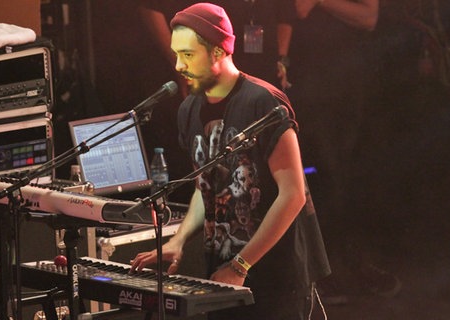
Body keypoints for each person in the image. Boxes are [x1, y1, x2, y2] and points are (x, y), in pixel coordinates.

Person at [130, 3, 330, 319]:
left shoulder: (263, 102)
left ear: (219, 51)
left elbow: (293, 195)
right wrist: (178, 241)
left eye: (188, 54)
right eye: (176, 54)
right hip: (224, 272)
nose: (179, 65)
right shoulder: (189, 110)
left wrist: (241, 264)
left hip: (276, 276)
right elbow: (206, 187)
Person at [288, 0, 401, 302]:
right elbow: (298, 9)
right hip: (309, 84)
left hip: (351, 86)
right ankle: (322, 273)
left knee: (351, 180)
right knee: (322, 179)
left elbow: (369, 17)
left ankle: (357, 265)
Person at [138, 0, 296, 91]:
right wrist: (179, 62)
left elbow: (285, 14)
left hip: (261, 70)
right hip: (211, 71)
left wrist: (281, 59)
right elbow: (151, 7)